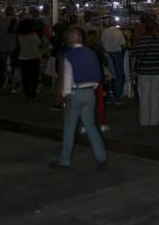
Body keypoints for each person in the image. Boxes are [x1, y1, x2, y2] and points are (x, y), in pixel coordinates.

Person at [50, 27, 107, 169]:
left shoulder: (68, 56)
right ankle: (102, 158)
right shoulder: (92, 53)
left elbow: (67, 78)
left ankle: (64, 161)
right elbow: (98, 76)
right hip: (90, 93)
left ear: (69, 39)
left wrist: (64, 97)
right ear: (81, 38)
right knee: (91, 126)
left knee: (69, 128)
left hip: (75, 93)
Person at [131, 17, 159, 126]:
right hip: (157, 71)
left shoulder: (139, 41)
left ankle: (144, 121)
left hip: (143, 72)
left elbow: (133, 57)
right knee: (155, 96)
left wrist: (133, 70)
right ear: (154, 28)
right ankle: (154, 121)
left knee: (143, 97)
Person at [85, 30, 111, 133]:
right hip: (97, 77)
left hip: (85, 77)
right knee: (99, 101)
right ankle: (102, 123)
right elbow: (106, 62)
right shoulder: (98, 48)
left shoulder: (84, 48)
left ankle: (85, 125)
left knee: (87, 103)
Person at [101, 22, 126, 104]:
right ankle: (117, 98)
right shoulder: (119, 32)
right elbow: (123, 44)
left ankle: (108, 97)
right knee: (118, 76)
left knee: (108, 76)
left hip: (107, 55)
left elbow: (101, 43)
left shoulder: (105, 31)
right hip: (117, 55)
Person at [18, 18, 41, 100]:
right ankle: (33, 93)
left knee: (25, 76)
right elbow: (39, 42)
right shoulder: (33, 34)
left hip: (23, 57)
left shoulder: (20, 35)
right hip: (33, 56)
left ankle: (27, 92)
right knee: (34, 76)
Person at [0, 6, 18, 90]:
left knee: (2, 66)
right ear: (12, 12)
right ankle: (14, 84)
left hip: (3, 46)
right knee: (14, 66)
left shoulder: (1, 21)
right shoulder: (15, 21)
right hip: (12, 46)